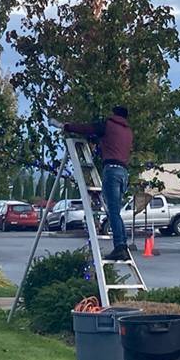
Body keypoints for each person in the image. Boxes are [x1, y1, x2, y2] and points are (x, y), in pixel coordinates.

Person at [51, 106, 133, 261]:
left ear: (114, 114)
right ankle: (123, 245)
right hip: (123, 173)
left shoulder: (108, 125)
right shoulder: (128, 132)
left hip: (112, 171)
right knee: (117, 211)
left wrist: (65, 126)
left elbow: (87, 128)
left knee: (113, 212)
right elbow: (109, 142)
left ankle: (120, 247)